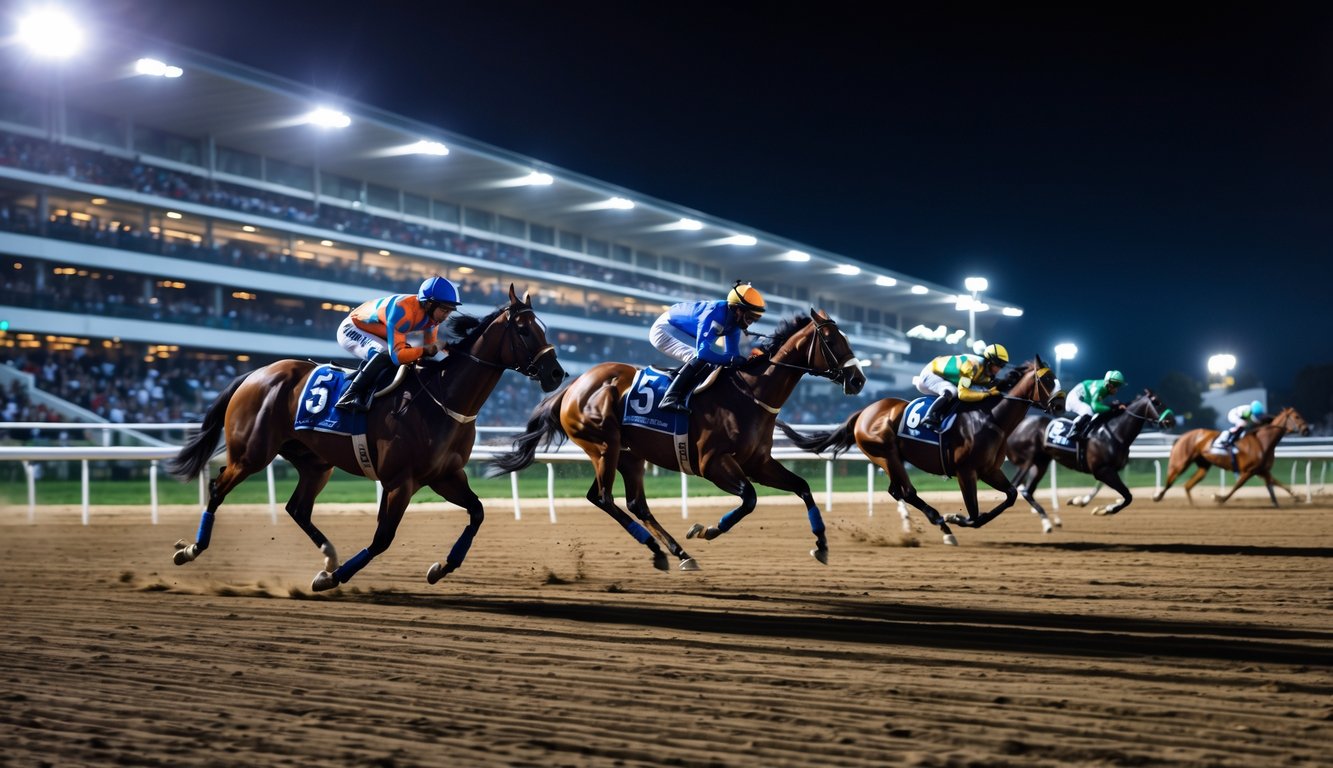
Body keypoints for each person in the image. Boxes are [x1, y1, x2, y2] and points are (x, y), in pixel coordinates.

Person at [334, 275, 461, 412]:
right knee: (385, 354)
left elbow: (426, 355)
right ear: (430, 304)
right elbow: (397, 357)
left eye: (449, 311)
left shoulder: (432, 319)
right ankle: (350, 394)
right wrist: (426, 350)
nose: (446, 316)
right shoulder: (402, 309)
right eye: (444, 310)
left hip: (377, 331)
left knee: (410, 355)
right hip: (352, 328)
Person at [649, 280, 766, 413]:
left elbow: (732, 356)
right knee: (700, 358)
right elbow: (703, 354)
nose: (751, 322)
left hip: (684, 332)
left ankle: (688, 394)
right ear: (737, 309)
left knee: (713, 363)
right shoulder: (714, 314)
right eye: (750, 316)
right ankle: (670, 397)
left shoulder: (734, 324)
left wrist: (745, 361)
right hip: (665, 330)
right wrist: (732, 360)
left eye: (755, 318)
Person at [915, 343, 1009, 431]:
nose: (998, 369)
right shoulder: (971, 366)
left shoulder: (986, 373)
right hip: (930, 374)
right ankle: (929, 416)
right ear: (989, 362)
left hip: (946, 378)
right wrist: (987, 394)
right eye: (997, 365)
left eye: (1002, 366)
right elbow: (963, 394)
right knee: (952, 391)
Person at [1065, 370, 1126, 440]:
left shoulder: (1105, 389)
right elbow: (1095, 407)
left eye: (1118, 385)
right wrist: (1111, 408)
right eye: (1115, 385)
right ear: (1109, 384)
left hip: (1082, 399)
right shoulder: (1100, 388)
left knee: (1093, 414)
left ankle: (1081, 431)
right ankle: (1073, 433)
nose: (1116, 389)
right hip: (1073, 398)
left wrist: (1111, 407)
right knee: (1088, 411)